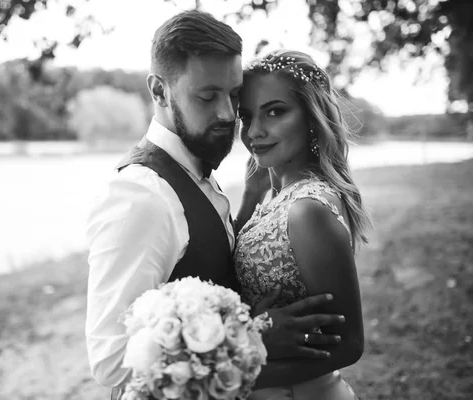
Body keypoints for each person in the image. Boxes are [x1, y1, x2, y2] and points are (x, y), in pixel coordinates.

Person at [85, 11, 345, 398]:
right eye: (207, 96)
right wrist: (251, 340)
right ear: (159, 91)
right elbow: (112, 360)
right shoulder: (142, 198)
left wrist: (252, 199)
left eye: (234, 96)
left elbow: (213, 261)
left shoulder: (196, 169)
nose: (227, 114)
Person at [234, 49, 373, 399]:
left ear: (311, 117)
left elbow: (349, 344)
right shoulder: (275, 197)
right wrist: (251, 197)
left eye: (275, 112)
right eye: (246, 116)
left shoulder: (307, 209)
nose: (254, 132)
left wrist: (238, 376)